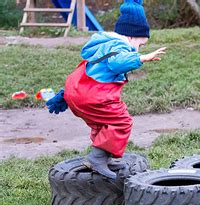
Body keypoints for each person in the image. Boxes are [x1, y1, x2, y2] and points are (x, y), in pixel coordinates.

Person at [46, 0, 166, 179]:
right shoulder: (120, 47)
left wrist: (65, 95)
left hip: (77, 90)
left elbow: (91, 70)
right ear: (131, 37)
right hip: (92, 95)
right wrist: (142, 58)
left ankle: (104, 156)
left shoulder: (104, 45)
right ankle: (97, 158)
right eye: (140, 45)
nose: (138, 48)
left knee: (102, 124)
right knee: (122, 121)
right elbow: (118, 63)